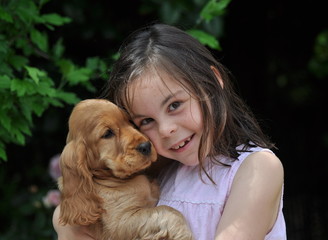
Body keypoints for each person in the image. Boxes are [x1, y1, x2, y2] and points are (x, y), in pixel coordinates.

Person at [53, 23, 286, 240]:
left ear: (213, 81)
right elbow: (74, 217)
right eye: (146, 121)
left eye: (175, 105)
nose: (166, 130)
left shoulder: (257, 168)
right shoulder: (159, 171)